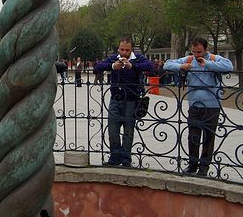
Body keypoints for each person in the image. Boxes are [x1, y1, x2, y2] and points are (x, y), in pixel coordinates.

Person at [164, 36, 233, 176]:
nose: (196, 55)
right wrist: (181, 67)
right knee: (193, 135)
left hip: (212, 105)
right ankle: (192, 164)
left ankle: (204, 166)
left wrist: (207, 64)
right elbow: (167, 64)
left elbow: (229, 66)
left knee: (209, 137)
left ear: (206, 50)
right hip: (194, 105)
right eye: (194, 52)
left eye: (199, 52)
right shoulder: (189, 59)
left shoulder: (214, 59)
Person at [95, 38, 154, 167]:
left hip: (131, 99)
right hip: (115, 98)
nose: (124, 53)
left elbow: (150, 66)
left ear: (131, 49)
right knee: (113, 130)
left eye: (127, 50)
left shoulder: (138, 58)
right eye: (122, 49)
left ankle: (126, 158)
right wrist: (112, 66)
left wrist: (132, 66)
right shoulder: (113, 58)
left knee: (128, 130)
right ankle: (115, 156)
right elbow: (98, 66)